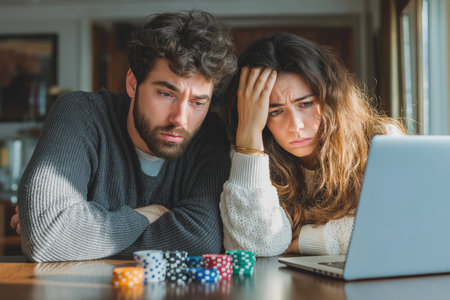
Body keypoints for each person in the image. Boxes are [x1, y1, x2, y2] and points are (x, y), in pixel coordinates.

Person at [10, 10, 236, 262]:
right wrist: (146, 215)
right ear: (132, 83)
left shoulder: (209, 135)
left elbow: (201, 240)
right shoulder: (81, 113)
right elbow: (47, 235)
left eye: (197, 102)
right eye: (166, 94)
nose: (180, 119)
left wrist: (78, 234)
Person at [219, 33, 406, 257]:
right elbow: (254, 247)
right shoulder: (250, 157)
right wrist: (249, 132)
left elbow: (402, 226)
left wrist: (306, 239)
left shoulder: (381, 141)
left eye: (306, 103)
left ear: (330, 99)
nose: (296, 126)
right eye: (275, 111)